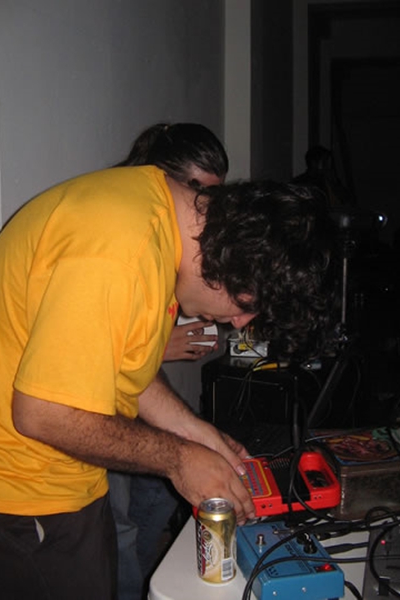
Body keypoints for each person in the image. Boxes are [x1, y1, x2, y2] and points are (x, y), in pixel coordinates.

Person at [0, 165, 337, 599]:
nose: (238, 322)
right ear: (240, 258)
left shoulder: (159, 219)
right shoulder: (120, 253)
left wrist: (191, 431)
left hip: (58, 471)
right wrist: (179, 460)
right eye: (246, 304)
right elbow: (43, 415)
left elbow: (123, 366)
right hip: (17, 486)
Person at [110, 122, 227, 600]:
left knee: (160, 490)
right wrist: (164, 347)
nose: (204, 208)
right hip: (93, 409)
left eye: (213, 195)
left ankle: (143, 577)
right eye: (197, 190)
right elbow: (95, 357)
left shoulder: (169, 245)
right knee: (116, 523)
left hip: (133, 389)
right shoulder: (125, 238)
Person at [292, 145, 355, 209]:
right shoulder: (300, 183)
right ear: (314, 163)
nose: (329, 166)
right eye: (325, 162)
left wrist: (334, 183)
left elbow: (346, 199)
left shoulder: (330, 180)